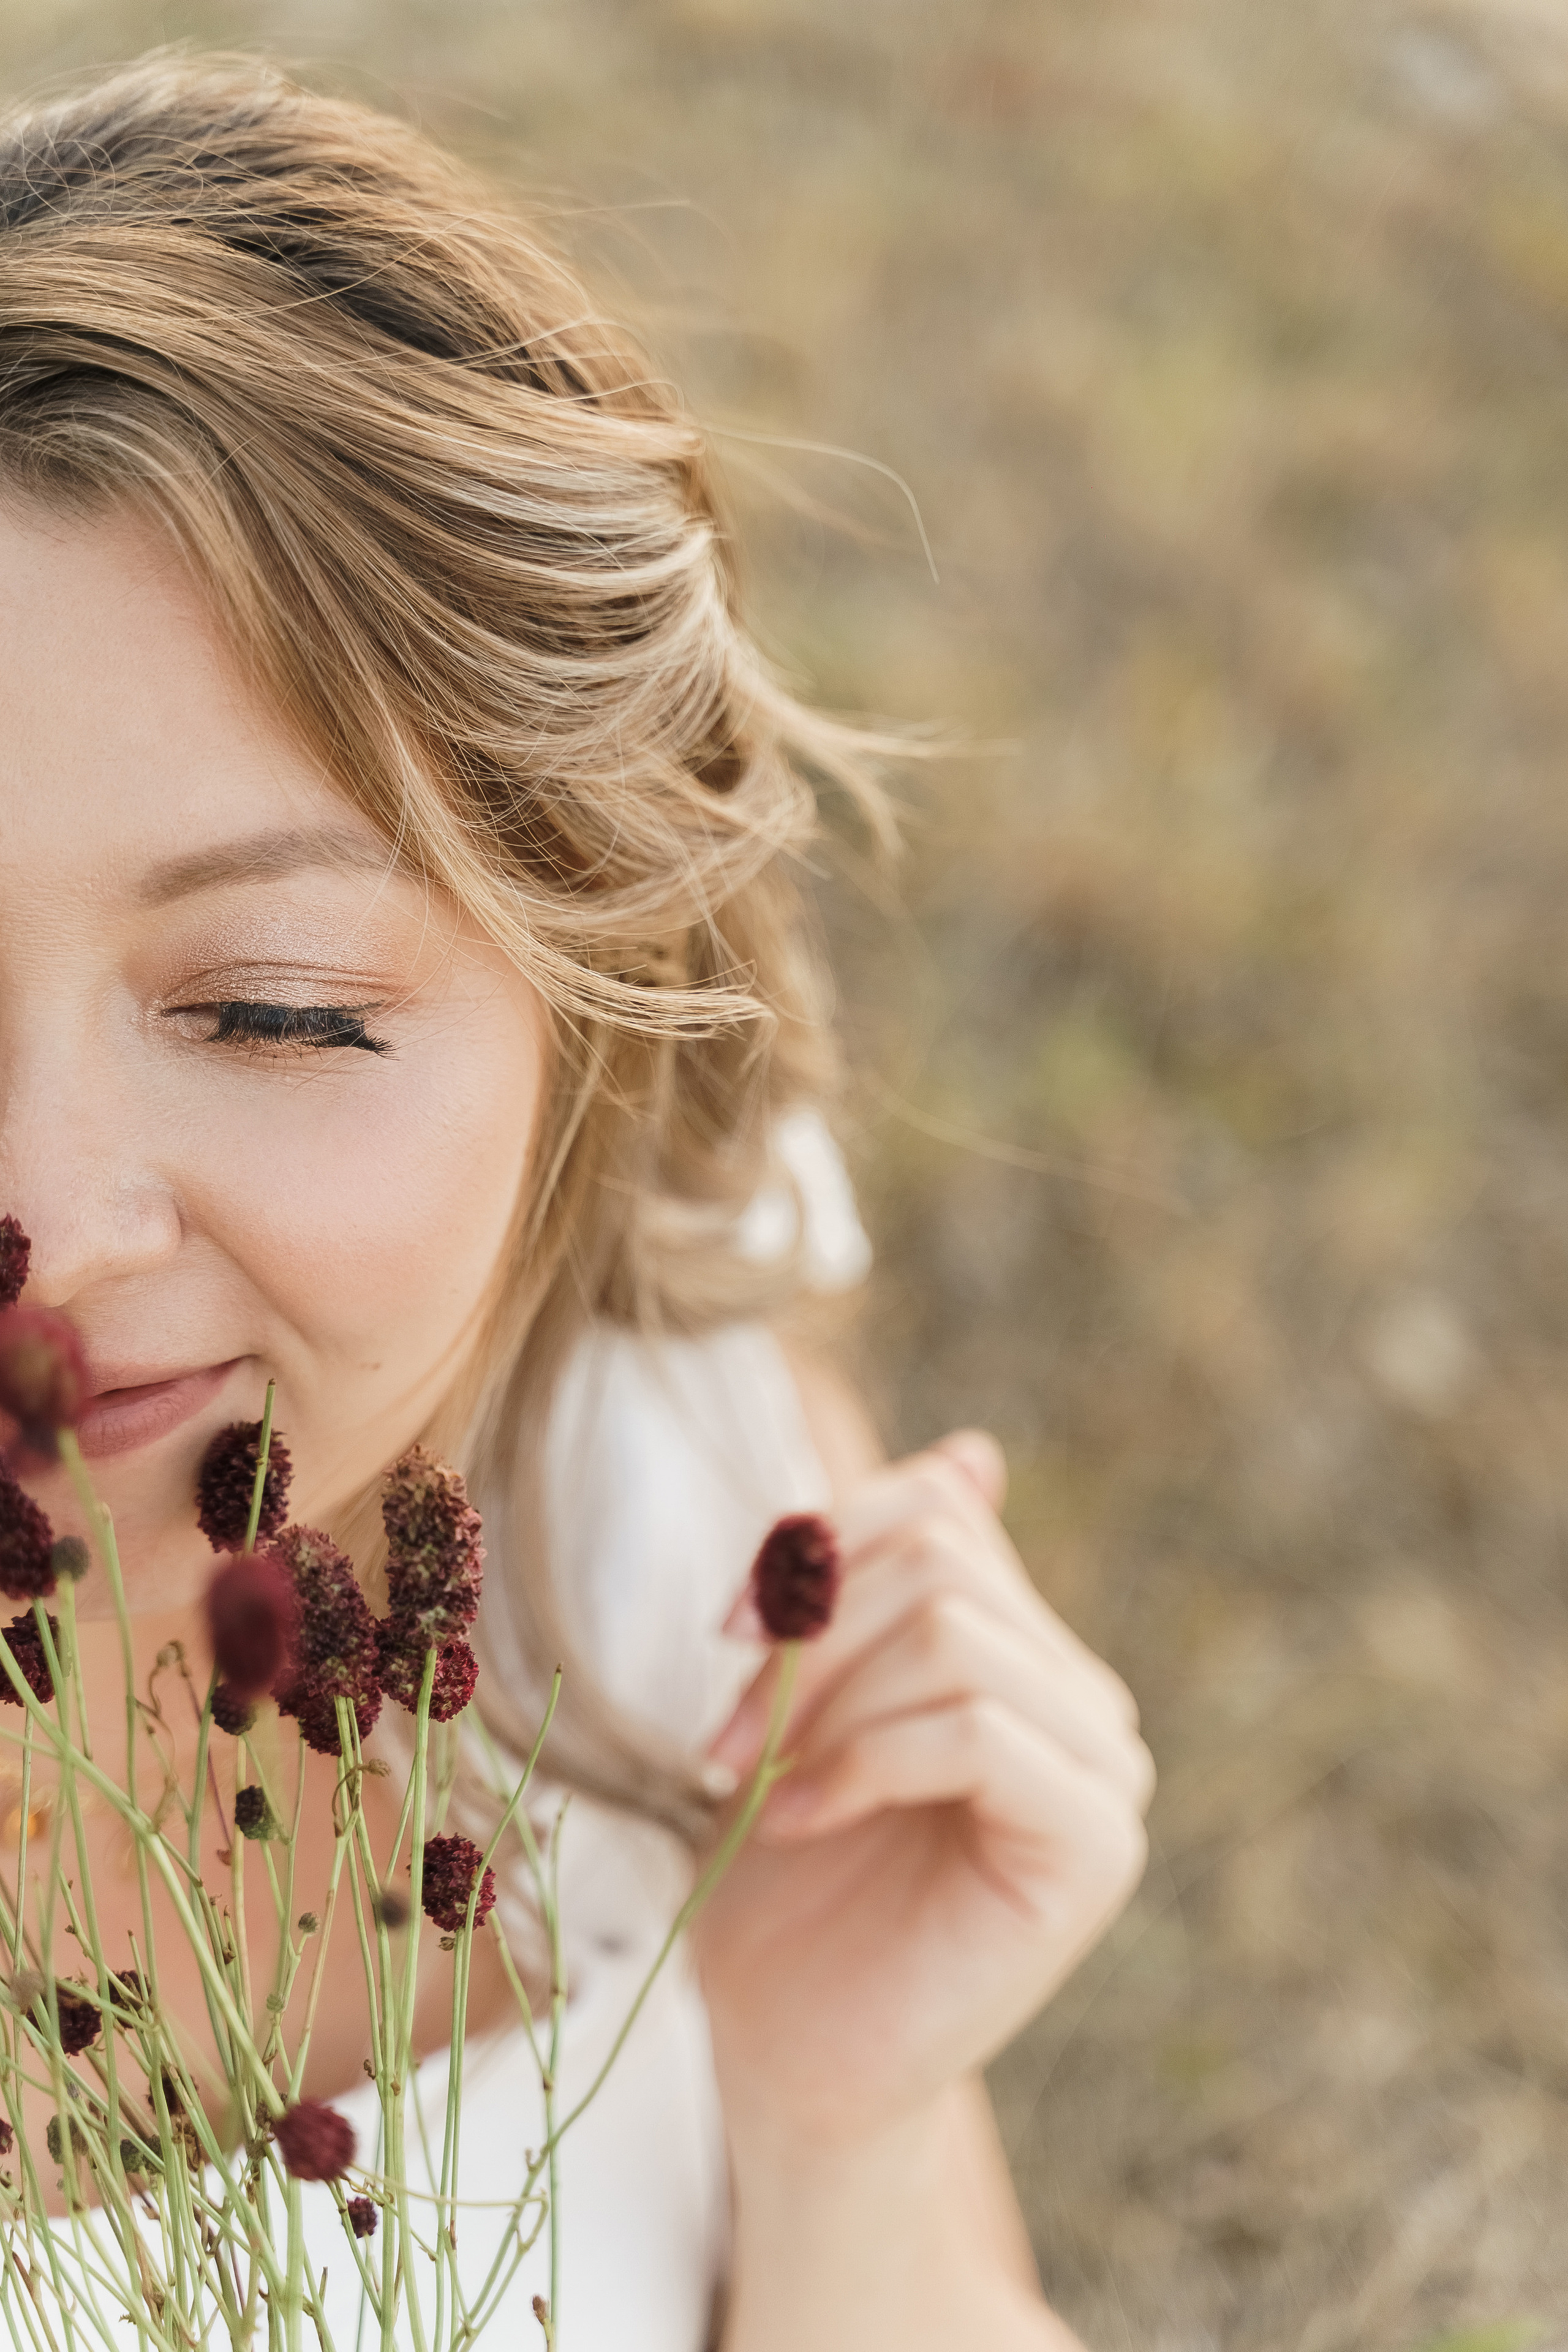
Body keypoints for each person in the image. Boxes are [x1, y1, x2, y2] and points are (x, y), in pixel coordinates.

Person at [0, 53, 1154, 2352]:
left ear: (592, 1013)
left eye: (281, 1010)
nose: (44, 1219)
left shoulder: (669, 1481)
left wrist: (844, 2131)